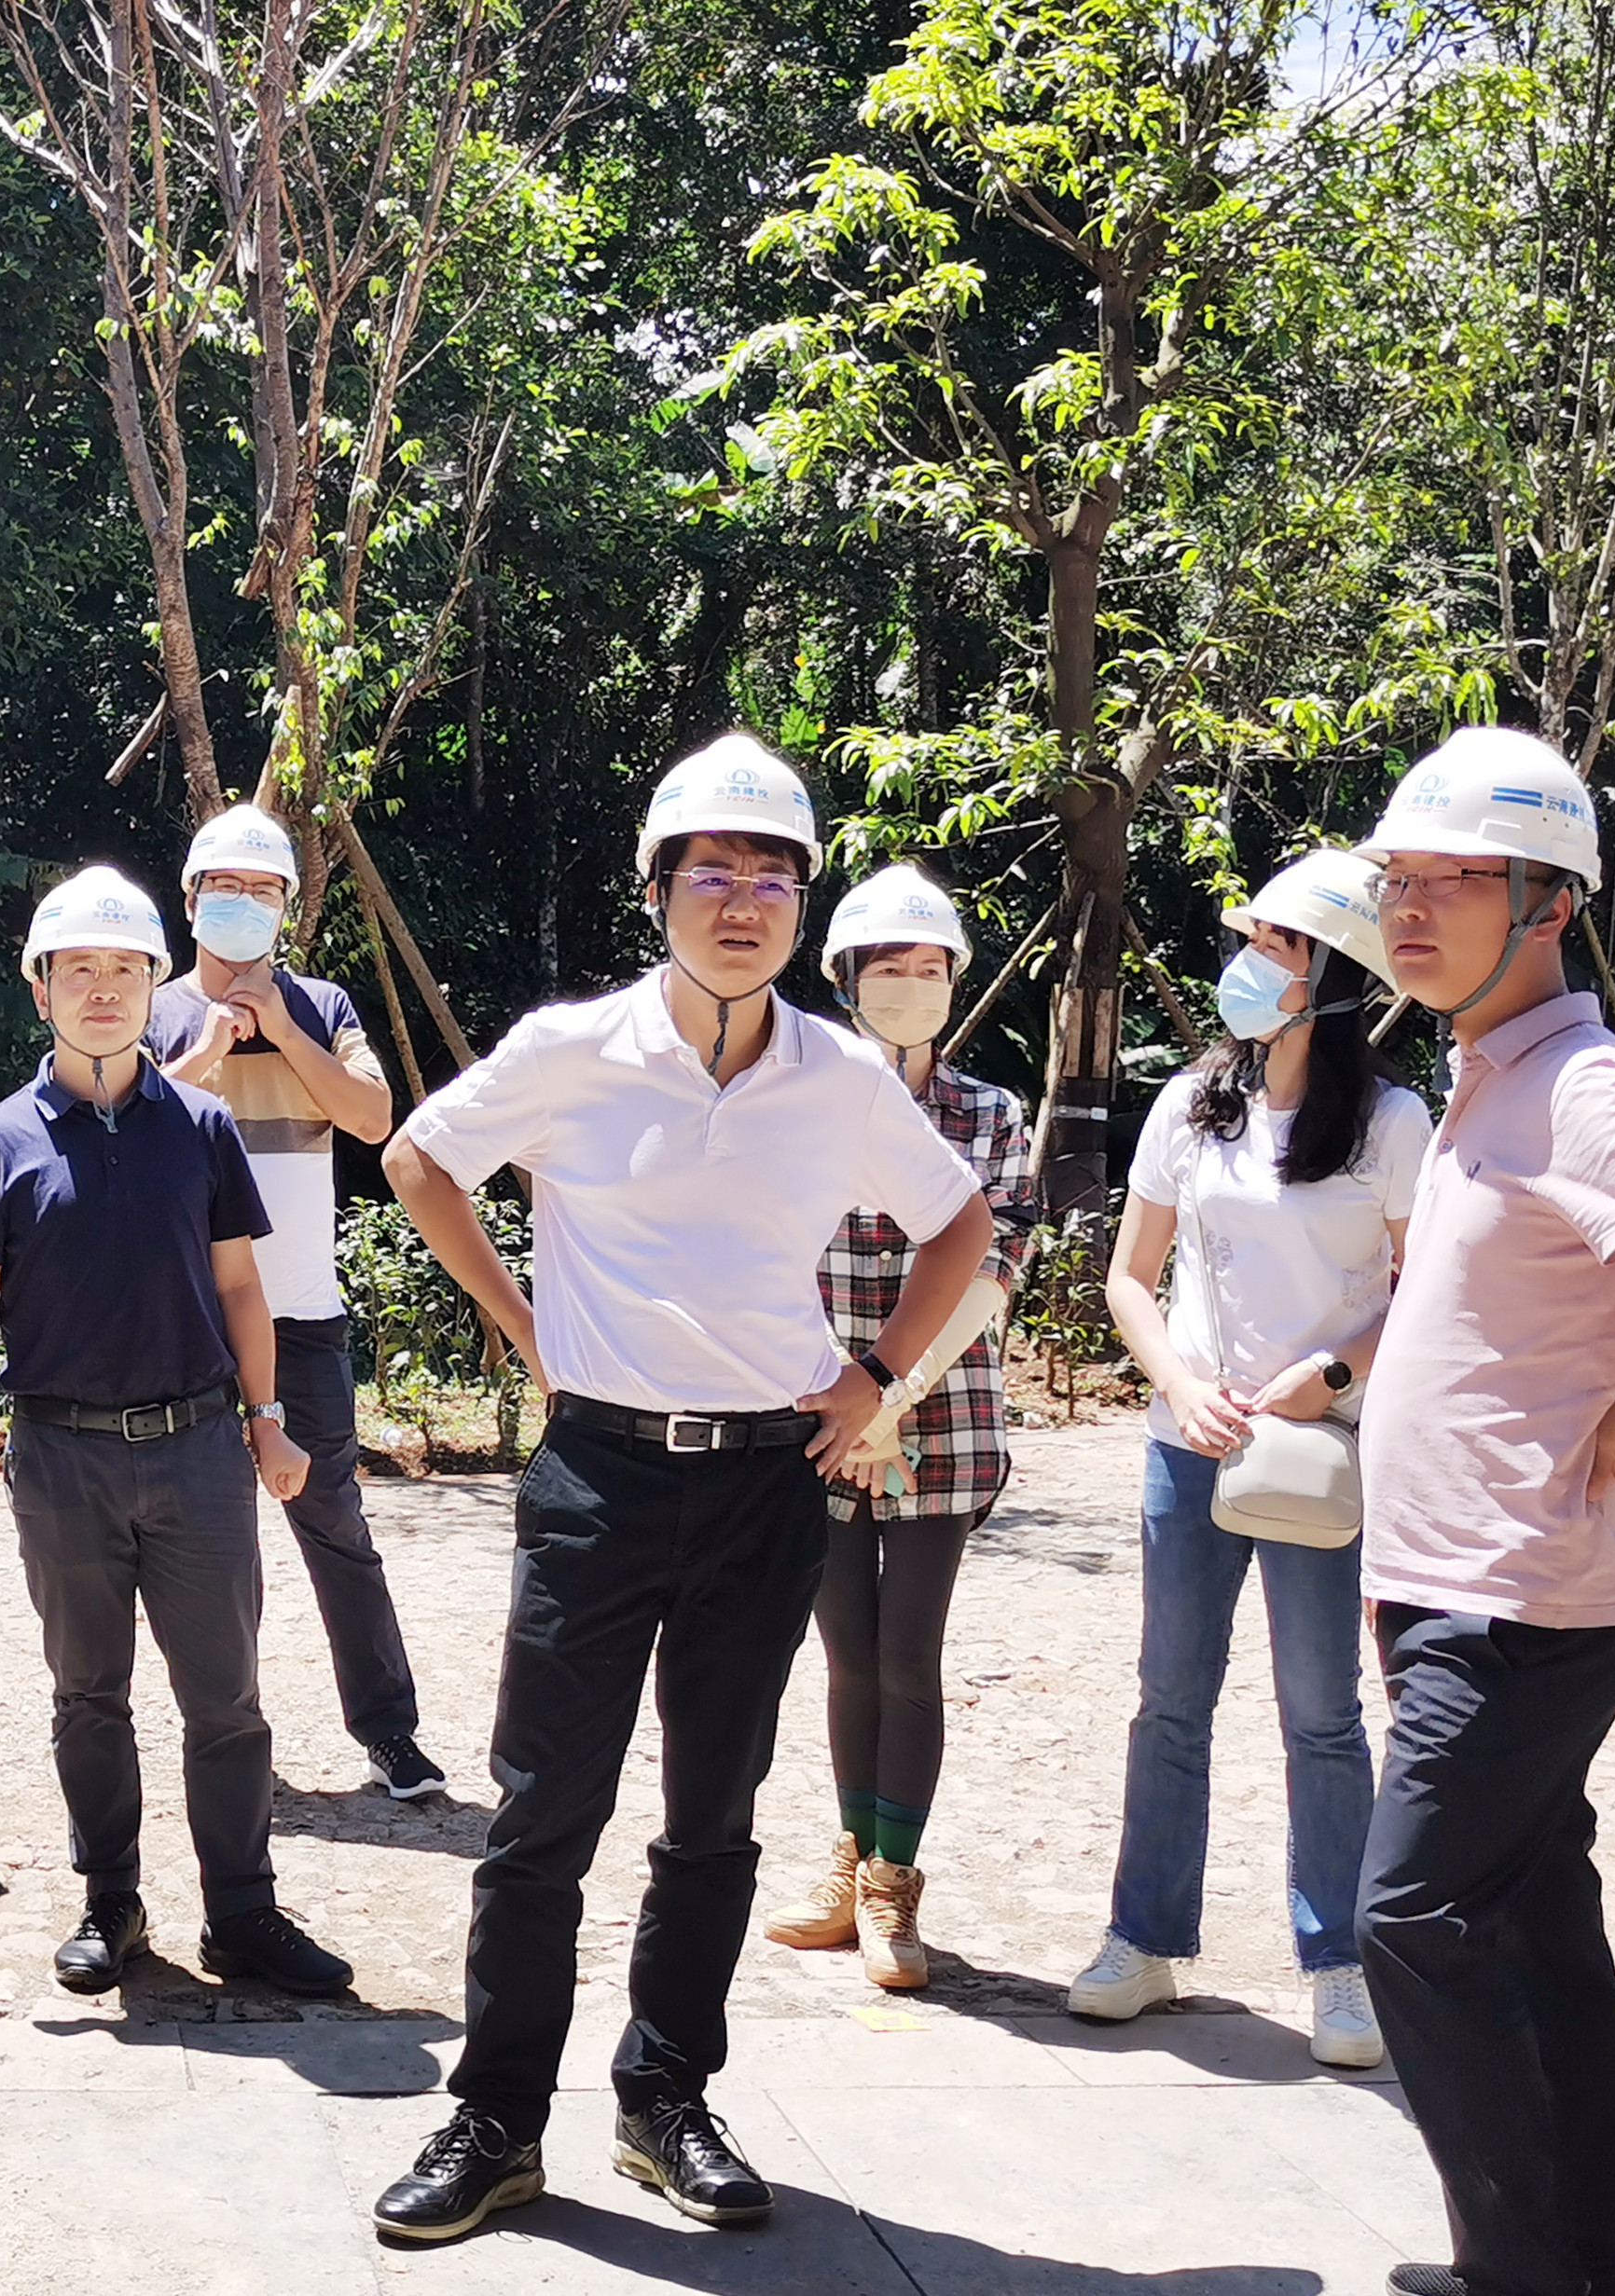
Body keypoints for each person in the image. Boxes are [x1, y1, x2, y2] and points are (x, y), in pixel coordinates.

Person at [368, 735, 995, 2242]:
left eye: (773, 875)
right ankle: (495, 2119)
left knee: (713, 1815)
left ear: (800, 907)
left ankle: (665, 2099)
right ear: (656, 891)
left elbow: (960, 1222)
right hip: (595, 1474)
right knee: (542, 1811)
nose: (743, 899)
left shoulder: (841, 1076)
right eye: (712, 870)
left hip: (765, 1484)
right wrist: (522, 1322)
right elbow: (417, 1157)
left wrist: (874, 1375)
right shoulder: (573, 1047)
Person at [1348, 728, 1615, 2296]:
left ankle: (1525, 2275)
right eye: (1395, 880)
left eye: (1452, 879)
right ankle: (1558, 2264)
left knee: (1412, 1916)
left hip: (1518, 1603)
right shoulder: (1489, 1076)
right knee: (1536, 1935)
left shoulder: (1591, 1088)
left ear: (1548, 901)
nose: (1408, 909)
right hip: (1464, 1589)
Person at [0, 866, 355, 2000]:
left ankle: (242, 1913)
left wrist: (268, 1423)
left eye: (124, 969)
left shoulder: (201, 1126)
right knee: (87, 1695)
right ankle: (109, 1901)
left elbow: (241, 1289)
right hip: (60, 1458)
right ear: (41, 989)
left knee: (226, 1700)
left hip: (199, 1451)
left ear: (154, 985)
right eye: (79, 969)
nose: (103, 989)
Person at [1064, 848, 1425, 2071]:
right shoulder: (1190, 1102)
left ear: (1333, 974)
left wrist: (1332, 1375)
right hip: (1188, 1448)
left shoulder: (1390, 1122)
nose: (1250, 960)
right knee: (1169, 1699)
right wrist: (1178, 1383)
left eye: (1278, 944)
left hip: (1317, 1454)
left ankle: (1341, 1965)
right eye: (1252, 938)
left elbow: (1424, 1285)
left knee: (1322, 1713)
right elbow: (1130, 1274)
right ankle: (1143, 1940)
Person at [764, 864, 1033, 1989]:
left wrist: (893, 1394)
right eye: (889, 966)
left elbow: (995, 1263)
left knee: (908, 1654)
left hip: (941, 1413)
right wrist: (846, 1397)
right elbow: (765, 1258)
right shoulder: (796, 1100)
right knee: (845, 1654)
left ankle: (892, 1881)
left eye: (930, 968)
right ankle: (847, 1857)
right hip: (817, 1415)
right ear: (843, 978)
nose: (911, 985)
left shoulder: (989, 1113)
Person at [148, 804, 446, 1798]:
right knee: (207, 1548)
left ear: (287, 906)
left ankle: (390, 1733)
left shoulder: (323, 1005)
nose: (242, 904)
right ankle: (228, 1739)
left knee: (335, 1530)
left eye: (262, 890)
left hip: (302, 1318)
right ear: (191, 899)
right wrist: (208, 1051)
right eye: (224, 888)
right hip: (184, 1322)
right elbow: (122, 1129)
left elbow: (371, 1117)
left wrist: (279, 1029)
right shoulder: (150, 1011)